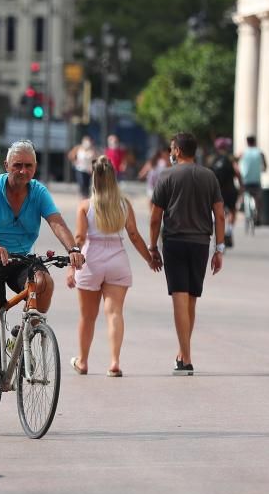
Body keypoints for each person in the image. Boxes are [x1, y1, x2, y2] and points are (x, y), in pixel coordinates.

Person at [0, 140, 85, 413]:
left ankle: (25, 331)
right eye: (17, 165)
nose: (23, 171)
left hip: (20, 257)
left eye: (28, 166)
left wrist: (73, 248)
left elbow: (56, 221)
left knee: (44, 282)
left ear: (35, 167)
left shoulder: (38, 192)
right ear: (6, 166)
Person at [66, 155, 159, 377]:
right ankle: (114, 362)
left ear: (93, 178)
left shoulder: (85, 206)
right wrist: (149, 258)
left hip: (91, 259)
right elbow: (134, 235)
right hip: (117, 258)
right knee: (115, 312)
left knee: (87, 317)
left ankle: (83, 361)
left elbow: (79, 238)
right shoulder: (124, 204)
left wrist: (72, 268)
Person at [149, 132, 225, 376]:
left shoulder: (167, 176)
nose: (170, 153)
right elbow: (220, 215)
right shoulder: (209, 176)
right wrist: (219, 249)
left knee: (180, 299)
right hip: (200, 244)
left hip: (175, 243)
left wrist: (152, 246)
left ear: (178, 151)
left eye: (172, 149)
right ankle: (183, 353)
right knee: (191, 299)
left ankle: (187, 358)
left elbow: (155, 217)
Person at [208, 138, 240, 248]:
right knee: (232, 211)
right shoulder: (231, 159)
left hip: (216, 191)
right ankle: (229, 232)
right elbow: (237, 172)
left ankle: (214, 230)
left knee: (215, 212)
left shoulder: (212, 159)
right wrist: (241, 184)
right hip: (230, 190)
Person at [238, 135, 267, 220]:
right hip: (256, 180)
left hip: (245, 180)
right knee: (258, 197)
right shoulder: (260, 153)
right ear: (255, 142)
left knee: (242, 192)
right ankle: (257, 213)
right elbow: (265, 166)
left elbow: (235, 162)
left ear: (247, 142)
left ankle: (240, 204)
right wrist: (262, 169)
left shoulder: (243, 153)